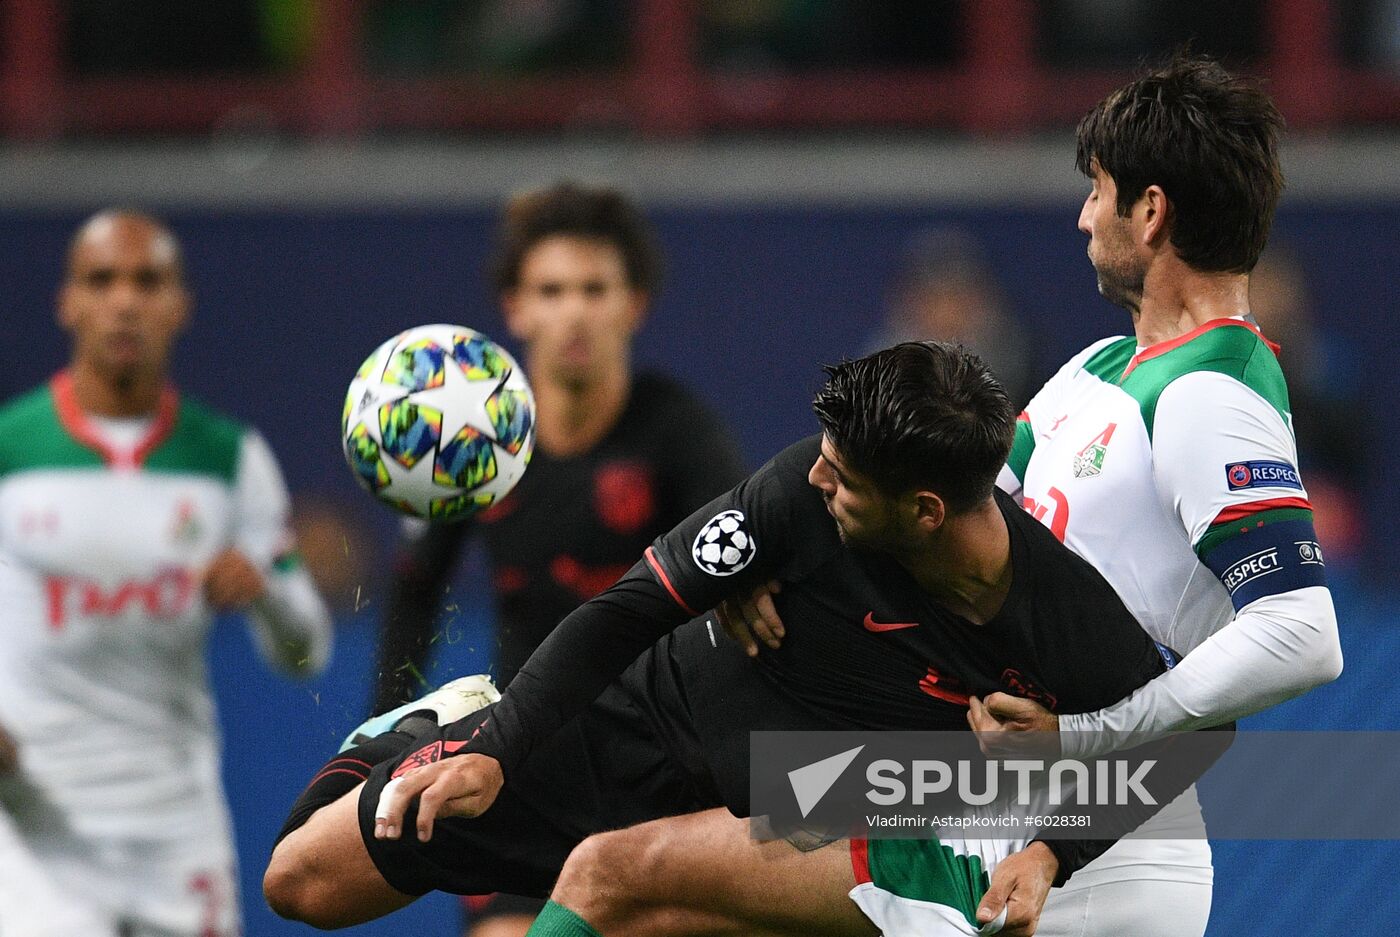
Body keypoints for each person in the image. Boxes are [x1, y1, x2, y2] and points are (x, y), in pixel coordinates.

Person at [265, 342, 1221, 937]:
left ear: (925, 511)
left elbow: (1186, 742)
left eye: (844, 479)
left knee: (605, 878)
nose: (816, 480)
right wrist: (503, 743)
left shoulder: (1066, 617)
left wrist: (1052, 848)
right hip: (651, 715)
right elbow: (627, 609)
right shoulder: (797, 487)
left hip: (799, 799)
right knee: (303, 881)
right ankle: (448, 718)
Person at [713, 53, 1344, 937]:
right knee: (657, 861)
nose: (1085, 216)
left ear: (1151, 212)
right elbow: (922, 507)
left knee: (646, 873)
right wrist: (756, 554)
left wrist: (1090, 736)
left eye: (1098, 190)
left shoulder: (1211, 395)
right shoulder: (1100, 369)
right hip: (987, 796)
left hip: (1101, 835)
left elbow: (1304, 635)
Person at [372, 181, 747, 937]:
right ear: (516, 307)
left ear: (632, 303)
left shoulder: (678, 432)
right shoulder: (474, 441)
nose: (573, 310)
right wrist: (383, 739)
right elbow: (414, 596)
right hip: (522, 765)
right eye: (551, 289)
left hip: (665, 766)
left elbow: (750, 553)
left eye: (594, 288)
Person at [0, 210, 333, 937]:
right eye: (102, 279)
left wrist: (267, 594)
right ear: (67, 301)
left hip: (176, 829)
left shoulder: (229, 459)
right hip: (30, 827)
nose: (124, 300)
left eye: (147, 281)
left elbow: (308, 650)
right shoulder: (9, 450)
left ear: (179, 305)